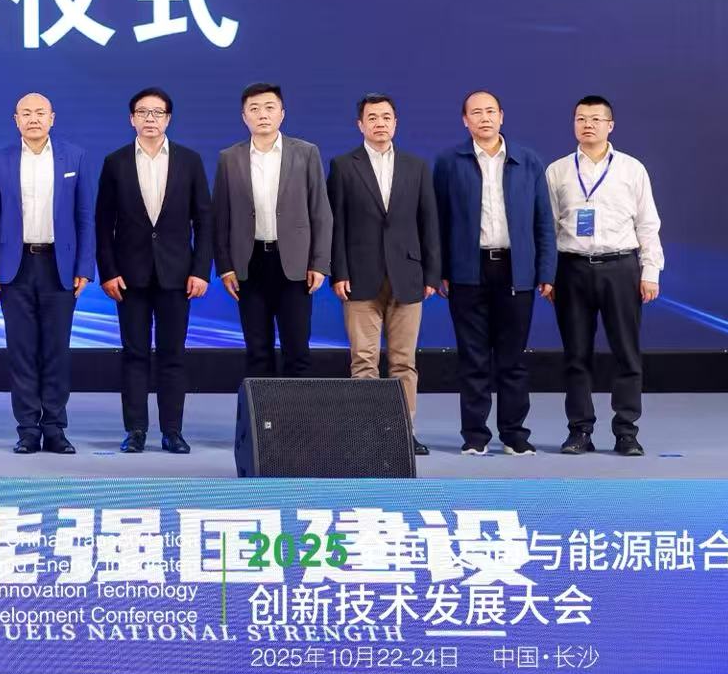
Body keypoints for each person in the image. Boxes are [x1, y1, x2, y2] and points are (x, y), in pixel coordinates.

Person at [433, 90, 556, 456]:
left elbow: (544, 222)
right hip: (467, 271)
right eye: (476, 112)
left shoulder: (528, 161)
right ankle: (475, 435)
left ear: (501, 116)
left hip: (516, 271)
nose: (484, 118)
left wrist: (546, 270)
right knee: (472, 358)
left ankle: (515, 433)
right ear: (464, 120)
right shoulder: (449, 162)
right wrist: (440, 270)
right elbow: (438, 222)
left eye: (490, 111)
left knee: (512, 358)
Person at [94, 87, 213, 455]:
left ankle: (173, 431)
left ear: (168, 119)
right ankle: (135, 430)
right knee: (134, 354)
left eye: (157, 113)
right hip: (129, 276)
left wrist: (201, 270)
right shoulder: (115, 162)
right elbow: (103, 223)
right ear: (132, 119)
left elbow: (204, 221)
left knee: (172, 354)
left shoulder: (189, 161)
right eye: (143, 112)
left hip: (177, 275)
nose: (150, 119)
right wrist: (108, 271)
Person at [545, 95, 664, 457]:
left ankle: (626, 431)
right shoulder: (558, 171)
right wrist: (548, 275)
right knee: (576, 355)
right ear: (573, 124)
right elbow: (547, 228)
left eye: (596, 119)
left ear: (610, 125)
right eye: (581, 118)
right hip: (572, 268)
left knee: (626, 353)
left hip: (621, 268)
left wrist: (651, 271)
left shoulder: (631, 169)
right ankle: (579, 431)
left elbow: (648, 224)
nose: (588, 125)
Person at [0, 92, 96, 455]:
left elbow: (85, 216)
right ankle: (28, 429)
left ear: (52, 118)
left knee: (56, 351)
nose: (33, 119)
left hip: (59, 267)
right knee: (22, 351)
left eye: (40, 113)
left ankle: (55, 428)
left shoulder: (74, 157)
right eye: (26, 113)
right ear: (16, 120)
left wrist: (84, 266)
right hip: (14, 267)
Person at [328, 92, 441, 455]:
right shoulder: (343, 166)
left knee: (404, 362)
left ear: (396, 122)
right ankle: (368, 433)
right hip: (359, 277)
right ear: (360, 124)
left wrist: (431, 275)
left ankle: (403, 433)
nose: (380, 123)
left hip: (408, 275)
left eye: (386, 117)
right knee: (363, 361)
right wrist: (338, 272)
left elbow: (429, 223)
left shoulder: (416, 166)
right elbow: (336, 225)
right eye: (372, 118)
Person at [213, 82, 332, 380]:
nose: (262, 114)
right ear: (244, 117)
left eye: (269, 107)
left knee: (297, 350)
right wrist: (225, 266)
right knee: (257, 350)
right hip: (249, 262)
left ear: (282, 113)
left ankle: (295, 412)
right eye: (254, 109)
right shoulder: (229, 158)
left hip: (294, 263)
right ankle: (261, 412)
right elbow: (221, 217)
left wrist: (319, 263)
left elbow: (321, 211)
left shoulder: (306, 153)